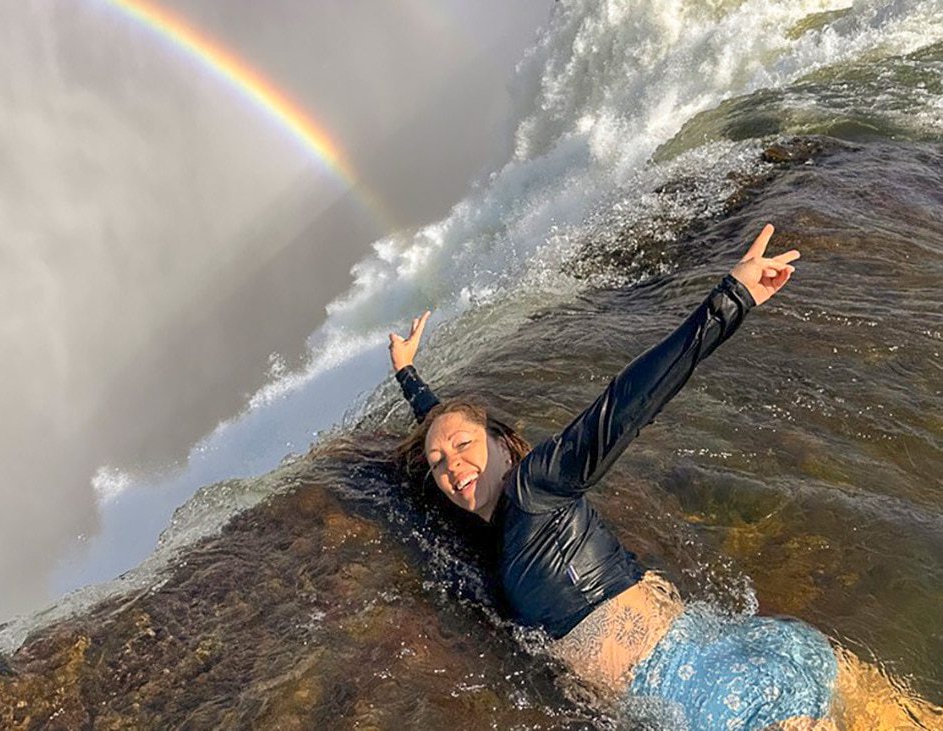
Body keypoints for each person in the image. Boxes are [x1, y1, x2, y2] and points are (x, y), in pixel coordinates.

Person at [388, 224, 940, 730]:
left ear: (506, 449)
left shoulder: (537, 485)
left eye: (464, 448)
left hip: (715, 698)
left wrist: (730, 300)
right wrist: (409, 375)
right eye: (438, 463)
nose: (453, 464)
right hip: (750, 647)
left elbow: (628, 402)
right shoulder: (509, 508)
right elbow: (446, 434)